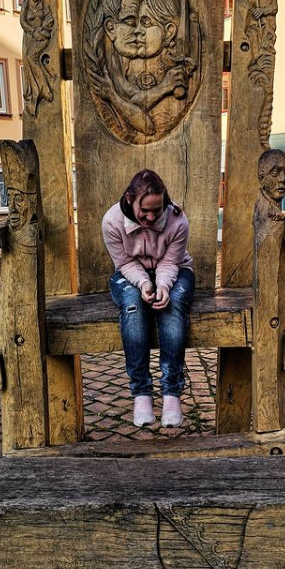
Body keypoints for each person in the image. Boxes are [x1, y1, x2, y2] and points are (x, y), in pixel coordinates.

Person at [102, 169, 195, 427]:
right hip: (129, 272)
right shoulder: (112, 221)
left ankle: (171, 393)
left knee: (173, 304)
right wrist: (144, 283)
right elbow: (124, 262)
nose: (152, 217)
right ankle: (141, 393)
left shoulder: (177, 220)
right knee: (133, 304)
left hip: (176, 270)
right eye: (145, 211)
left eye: (158, 210)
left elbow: (171, 261)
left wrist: (162, 285)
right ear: (130, 199)